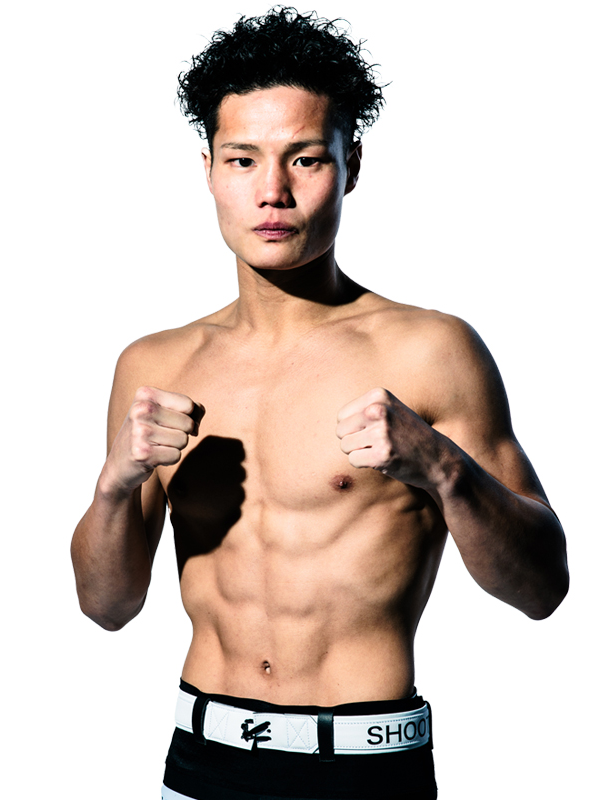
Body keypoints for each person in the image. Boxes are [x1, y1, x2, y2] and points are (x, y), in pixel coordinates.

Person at [71, 8, 569, 800]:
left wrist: (444, 469)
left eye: (305, 159)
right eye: (242, 160)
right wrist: (114, 487)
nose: (272, 192)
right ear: (209, 170)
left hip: (364, 769)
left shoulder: (431, 351)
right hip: (201, 761)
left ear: (351, 163)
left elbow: (543, 589)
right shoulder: (155, 364)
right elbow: (107, 606)